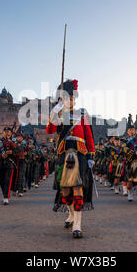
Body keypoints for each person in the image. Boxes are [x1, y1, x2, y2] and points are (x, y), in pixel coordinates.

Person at [47, 79, 95, 239]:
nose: (70, 100)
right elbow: (50, 130)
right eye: (67, 98)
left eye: (72, 98)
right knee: (65, 190)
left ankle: (78, 224)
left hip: (80, 153)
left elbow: (88, 135)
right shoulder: (59, 114)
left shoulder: (81, 114)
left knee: (78, 187)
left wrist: (91, 155)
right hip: (64, 153)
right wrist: (55, 111)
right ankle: (71, 213)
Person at [0, 126, 18, 205]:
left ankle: (6, 197)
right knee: (1, 181)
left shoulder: (14, 141)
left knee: (7, 181)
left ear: (10, 133)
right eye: (5, 131)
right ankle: (5, 193)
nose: (6, 133)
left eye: (8, 131)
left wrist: (12, 152)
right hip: (1, 163)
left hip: (10, 163)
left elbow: (18, 151)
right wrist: (1, 155)